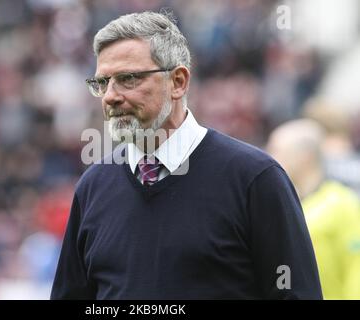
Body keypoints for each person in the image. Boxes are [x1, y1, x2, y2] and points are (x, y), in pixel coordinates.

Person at [50, 11, 322, 299]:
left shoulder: (255, 179)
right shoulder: (93, 187)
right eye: (102, 83)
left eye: (128, 79)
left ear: (178, 81)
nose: (110, 96)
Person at [266, 119, 360, 299]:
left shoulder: (341, 203)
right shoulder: (281, 203)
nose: (268, 156)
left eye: (276, 150)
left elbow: (356, 268)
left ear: (305, 156)